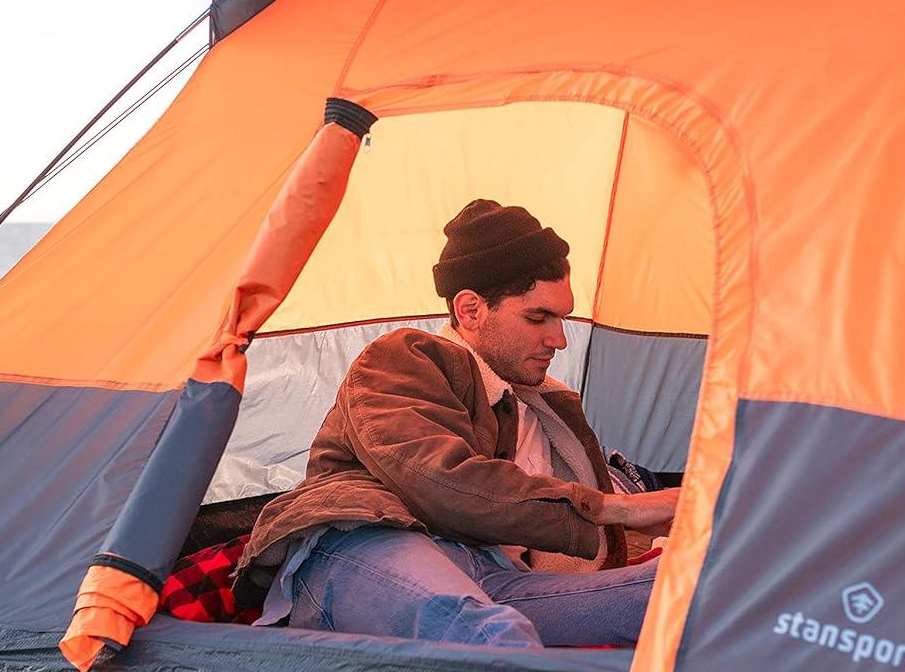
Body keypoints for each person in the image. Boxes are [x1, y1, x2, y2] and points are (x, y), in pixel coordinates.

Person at [234, 199, 679, 647]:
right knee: (490, 639)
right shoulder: (403, 358)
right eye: (538, 317)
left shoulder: (537, 406)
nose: (558, 340)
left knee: (683, 593)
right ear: (469, 310)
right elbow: (443, 483)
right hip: (369, 538)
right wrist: (625, 507)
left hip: (491, 573)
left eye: (561, 318)